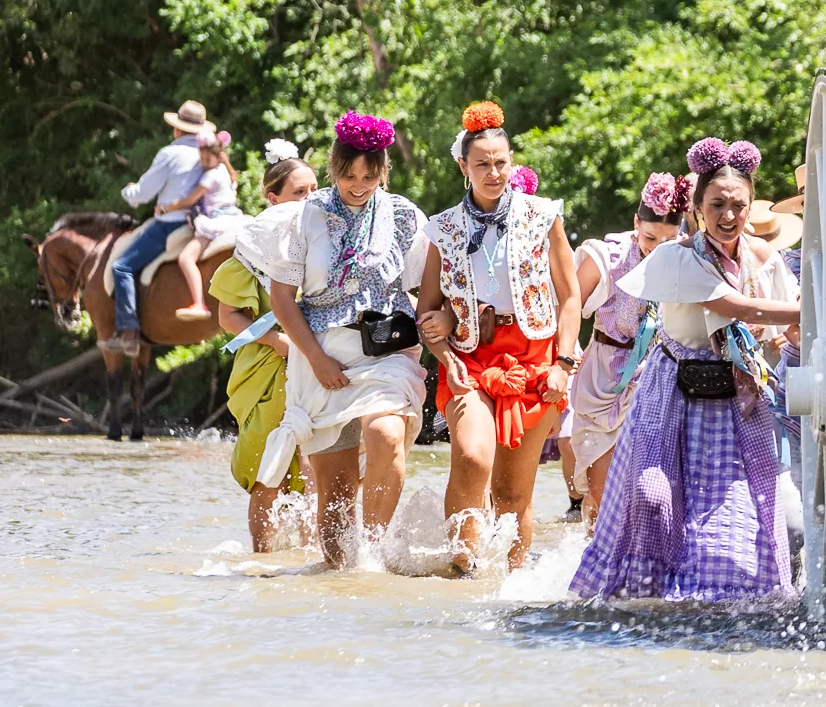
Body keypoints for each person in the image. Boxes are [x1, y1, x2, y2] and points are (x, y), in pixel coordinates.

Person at [572, 137, 802, 604]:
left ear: (751, 205)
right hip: (671, 392)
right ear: (697, 208)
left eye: (738, 205)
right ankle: (641, 600)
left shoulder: (765, 259)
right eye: (717, 204)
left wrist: (822, 331)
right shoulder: (679, 256)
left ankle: (717, 607)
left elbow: (793, 325)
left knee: (734, 518)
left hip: (738, 399)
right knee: (653, 500)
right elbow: (732, 305)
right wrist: (809, 313)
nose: (728, 214)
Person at [237, 113, 430, 569]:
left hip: (386, 350)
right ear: (333, 169)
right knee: (336, 492)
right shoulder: (306, 216)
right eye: (348, 175)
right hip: (319, 356)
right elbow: (282, 299)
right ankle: (340, 580)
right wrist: (317, 359)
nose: (358, 185)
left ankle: (374, 558)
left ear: (383, 171)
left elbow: (430, 287)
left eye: (369, 176)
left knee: (386, 433)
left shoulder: (404, 215)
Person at [417, 103, 583, 572]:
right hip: (469, 357)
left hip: (534, 358)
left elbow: (570, 297)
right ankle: (462, 570)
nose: (494, 173)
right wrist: (443, 353)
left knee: (514, 493)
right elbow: (427, 309)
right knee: (471, 456)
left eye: (501, 162)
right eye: (482, 164)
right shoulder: (444, 228)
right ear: (463, 166)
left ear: (512, 162)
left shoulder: (543, 215)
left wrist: (564, 364)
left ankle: (511, 591)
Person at [565, 171, 689, 524]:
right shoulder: (608, 256)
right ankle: (593, 562)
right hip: (603, 378)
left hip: (657, 379)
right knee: (601, 495)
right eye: (650, 237)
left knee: (646, 493)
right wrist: (566, 349)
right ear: (636, 223)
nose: (656, 248)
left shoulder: (686, 257)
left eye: (668, 240)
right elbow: (569, 304)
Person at [210, 143, 316, 551]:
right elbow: (227, 316)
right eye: (298, 193)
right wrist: (276, 340)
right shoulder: (250, 255)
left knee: (313, 465)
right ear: (273, 199)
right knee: (267, 465)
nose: (309, 200)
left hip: (315, 364)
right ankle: (262, 559)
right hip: (268, 366)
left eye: (313, 190)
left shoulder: (320, 246)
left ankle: (310, 558)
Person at [113, 99, 219, 335]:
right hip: (204, 221)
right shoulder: (210, 152)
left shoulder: (170, 153)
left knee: (121, 267)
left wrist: (128, 192)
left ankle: (128, 332)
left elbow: (143, 192)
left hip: (170, 224)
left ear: (177, 128)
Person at [166, 134, 243, 320]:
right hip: (233, 216)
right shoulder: (226, 171)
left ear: (218, 157)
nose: (204, 163)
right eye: (201, 159)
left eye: (208, 159)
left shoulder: (210, 176)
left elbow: (189, 200)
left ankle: (199, 303)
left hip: (216, 221)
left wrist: (167, 207)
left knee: (185, 258)